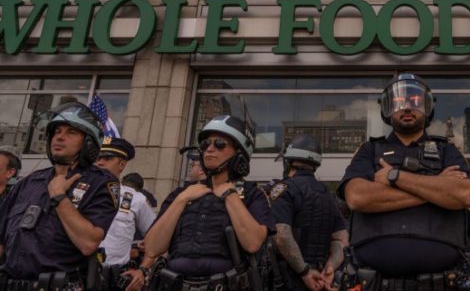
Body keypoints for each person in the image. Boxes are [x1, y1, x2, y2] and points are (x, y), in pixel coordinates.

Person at [338, 73, 470, 289]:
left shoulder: (447, 151)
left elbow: (463, 194)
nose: (406, 108)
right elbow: (357, 197)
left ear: (427, 106)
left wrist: (395, 177)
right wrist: (436, 187)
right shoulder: (370, 150)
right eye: (399, 102)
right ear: (387, 108)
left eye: (414, 101)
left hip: (441, 283)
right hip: (376, 283)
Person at [144, 115, 272, 289]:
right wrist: (182, 200)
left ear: (239, 152)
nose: (210, 149)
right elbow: (152, 248)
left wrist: (230, 195)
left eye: (219, 144)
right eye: (205, 144)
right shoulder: (181, 194)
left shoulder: (252, 194)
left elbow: (253, 243)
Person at [0, 102, 119, 285]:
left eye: (71, 132)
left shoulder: (101, 183)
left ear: (88, 142)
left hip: (57, 284)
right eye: (57, 132)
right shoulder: (29, 182)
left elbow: (88, 243)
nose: (60, 137)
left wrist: (60, 198)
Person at [267, 134, 348, 291]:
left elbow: (282, 235)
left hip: (290, 279)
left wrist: (304, 271)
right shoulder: (327, 194)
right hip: (321, 278)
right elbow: (342, 239)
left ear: (288, 161)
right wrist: (330, 267)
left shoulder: (284, 189)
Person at [95, 137, 156, 291]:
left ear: (122, 164)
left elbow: (158, 238)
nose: (100, 163)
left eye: (107, 158)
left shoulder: (135, 199)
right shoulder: (78, 193)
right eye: (98, 158)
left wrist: (142, 270)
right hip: (79, 277)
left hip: (116, 280)